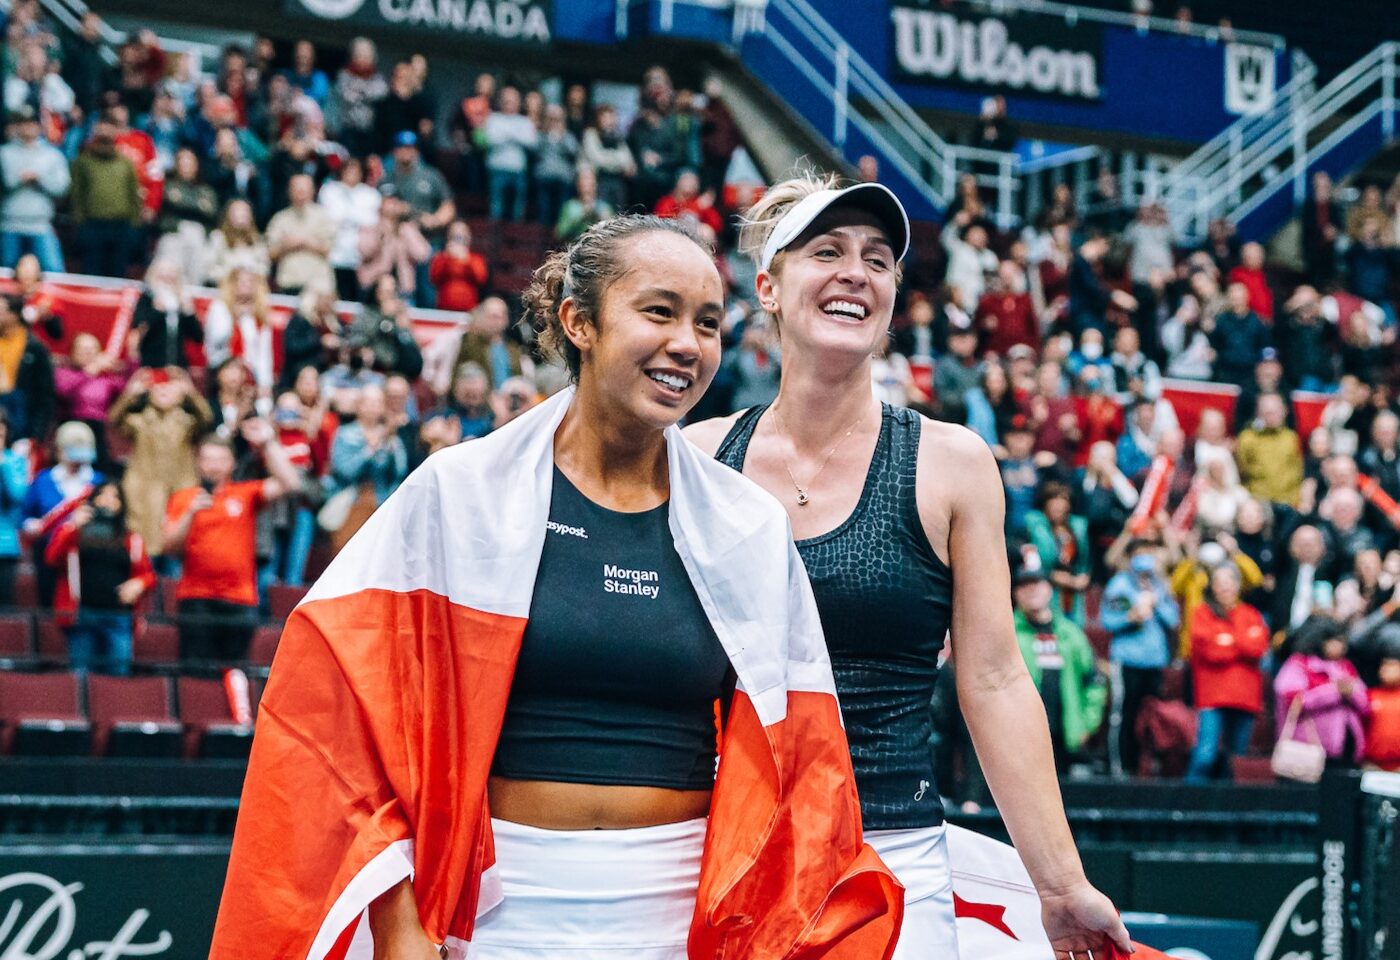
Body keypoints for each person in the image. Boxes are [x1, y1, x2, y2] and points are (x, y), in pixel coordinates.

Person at [211, 213, 902, 960]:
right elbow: (347, 722)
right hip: (498, 915)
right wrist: (403, 924)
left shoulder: (745, 527)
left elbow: (804, 769)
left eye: (707, 323)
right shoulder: (459, 492)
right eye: (658, 311)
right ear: (579, 321)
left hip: (680, 920)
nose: (688, 345)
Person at [686, 175, 1130, 960]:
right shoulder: (693, 459)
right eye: (826, 251)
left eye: (879, 259)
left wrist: (1059, 886)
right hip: (717, 852)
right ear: (769, 288)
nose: (857, 271)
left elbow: (993, 679)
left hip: (890, 857)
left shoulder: (951, 464)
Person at [162, 423, 303, 670]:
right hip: (196, 598)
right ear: (198, 462)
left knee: (237, 676)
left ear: (232, 463)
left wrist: (268, 443)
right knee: (196, 678)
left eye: (220, 459)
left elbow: (290, 484)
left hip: (239, 599)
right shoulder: (183, 498)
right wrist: (190, 514)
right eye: (208, 459)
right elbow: (169, 548)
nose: (214, 466)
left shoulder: (245, 493)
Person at [107, 367, 211, 578]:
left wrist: (191, 392)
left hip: (179, 489)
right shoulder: (139, 421)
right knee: (147, 547)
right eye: (158, 390)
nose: (164, 394)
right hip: (144, 492)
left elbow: (207, 419)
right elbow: (114, 420)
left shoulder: (187, 422)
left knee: (176, 549)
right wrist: (130, 394)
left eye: (170, 390)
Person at [45, 481, 154, 676]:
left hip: (118, 616)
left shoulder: (131, 538)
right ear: (92, 501)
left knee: (119, 676)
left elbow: (148, 575)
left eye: (115, 497)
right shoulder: (74, 532)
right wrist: (73, 527)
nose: (108, 501)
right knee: (80, 677)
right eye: (102, 495)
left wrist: (139, 583)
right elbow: (52, 558)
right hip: (82, 614)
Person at [1012, 563, 1106, 774]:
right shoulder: (1009, 633)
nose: (1031, 590)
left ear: (1049, 588)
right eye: (1024, 585)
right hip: (1021, 737)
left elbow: (1095, 681)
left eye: (1037, 583)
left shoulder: (1070, 634)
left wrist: (1087, 724)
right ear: (1015, 593)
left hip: (1065, 735)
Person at [1100, 538, 1180, 776]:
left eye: (1150, 552)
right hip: (1128, 660)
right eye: (1141, 553)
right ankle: (1121, 766)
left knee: (1153, 716)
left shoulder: (1159, 585)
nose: (1146, 558)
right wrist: (1130, 618)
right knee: (1125, 714)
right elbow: (1108, 620)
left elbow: (1173, 619)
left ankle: (1149, 765)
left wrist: (1156, 603)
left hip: (1154, 660)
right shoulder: (1119, 585)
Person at [1185, 564, 1269, 782]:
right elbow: (1209, 651)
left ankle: (1228, 810)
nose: (1225, 589)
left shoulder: (1251, 614)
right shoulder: (1202, 613)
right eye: (1219, 584)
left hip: (1245, 697)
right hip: (1212, 696)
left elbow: (1258, 648)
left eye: (1229, 583)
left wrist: (1227, 639)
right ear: (1212, 587)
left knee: (1236, 762)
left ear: (1239, 586)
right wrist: (1241, 642)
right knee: (1205, 755)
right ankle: (1189, 808)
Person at [1275, 616, 1370, 767]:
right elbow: (1293, 700)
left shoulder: (1345, 667)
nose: (1341, 646)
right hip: (1308, 749)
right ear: (1319, 640)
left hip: (1345, 747)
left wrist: (1351, 693)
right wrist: (1334, 692)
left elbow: (1365, 705)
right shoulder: (1299, 664)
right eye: (1334, 641)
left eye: (1342, 641)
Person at [0, 105, 70, 272]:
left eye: (31, 124)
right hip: (9, 222)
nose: (27, 128)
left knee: (53, 271)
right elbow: (5, 184)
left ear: (39, 126)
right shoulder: (4, 153)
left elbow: (62, 188)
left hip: (41, 223)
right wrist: (19, 180)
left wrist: (40, 179)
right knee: (6, 273)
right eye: (22, 123)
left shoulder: (53, 155)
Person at [128, 259, 203, 370]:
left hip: (177, 366)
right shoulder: (147, 299)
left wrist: (188, 312)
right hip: (151, 365)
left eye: (171, 273)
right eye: (163, 273)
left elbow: (198, 337)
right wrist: (157, 311)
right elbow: (138, 328)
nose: (167, 277)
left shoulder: (182, 303)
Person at [428, 220, 489, 312]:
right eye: (454, 235)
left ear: (468, 238)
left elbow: (481, 278)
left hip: (468, 310)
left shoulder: (475, 258)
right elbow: (434, 278)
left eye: (461, 236)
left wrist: (465, 260)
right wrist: (447, 257)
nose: (458, 239)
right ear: (448, 237)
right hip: (443, 309)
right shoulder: (441, 257)